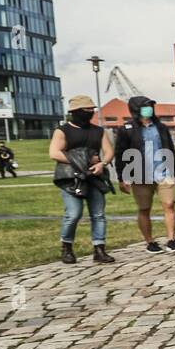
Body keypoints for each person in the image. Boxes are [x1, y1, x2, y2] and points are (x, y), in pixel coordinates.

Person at [48, 95, 116, 264]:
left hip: (95, 176)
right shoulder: (62, 131)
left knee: (98, 214)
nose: (91, 112)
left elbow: (108, 151)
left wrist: (103, 164)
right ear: (75, 112)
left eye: (92, 109)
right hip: (71, 178)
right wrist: (84, 159)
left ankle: (99, 249)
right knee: (73, 214)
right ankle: (67, 247)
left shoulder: (98, 131)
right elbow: (54, 153)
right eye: (87, 110)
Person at [113, 95, 175, 254]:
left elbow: (170, 149)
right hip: (140, 175)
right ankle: (150, 242)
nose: (149, 108)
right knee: (144, 208)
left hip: (163, 173)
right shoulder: (126, 130)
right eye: (145, 106)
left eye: (150, 105)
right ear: (136, 109)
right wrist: (122, 178)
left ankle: (172, 240)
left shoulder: (161, 127)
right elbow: (120, 154)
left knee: (169, 204)